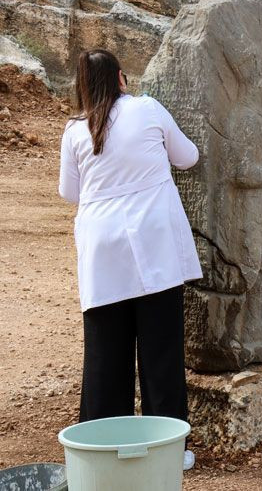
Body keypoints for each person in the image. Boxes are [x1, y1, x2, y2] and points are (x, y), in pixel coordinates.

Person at [58, 49, 202, 471]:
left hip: (103, 252)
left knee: (105, 355)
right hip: (153, 245)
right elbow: (188, 156)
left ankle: (102, 448)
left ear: (83, 87)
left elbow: (71, 193)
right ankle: (169, 450)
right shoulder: (147, 108)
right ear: (122, 79)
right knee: (160, 353)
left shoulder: (75, 131)